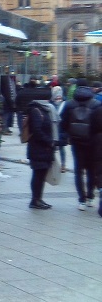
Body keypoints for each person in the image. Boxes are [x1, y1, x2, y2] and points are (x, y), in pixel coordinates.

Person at [60, 78, 99, 210]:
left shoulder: (69, 104)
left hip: (76, 141)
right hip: (92, 141)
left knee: (78, 170)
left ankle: (81, 200)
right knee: (91, 170)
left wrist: (67, 136)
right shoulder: (95, 104)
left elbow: (63, 123)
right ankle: (90, 197)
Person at [27, 92, 55, 209]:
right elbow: (37, 130)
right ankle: (35, 200)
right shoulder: (36, 111)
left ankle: (39, 198)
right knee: (38, 175)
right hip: (38, 148)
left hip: (44, 149)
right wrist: (49, 141)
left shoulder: (44, 109)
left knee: (41, 174)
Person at [50, 86, 68, 172]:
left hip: (60, 129)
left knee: (60, 148)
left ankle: (62, 165)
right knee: (54, 148)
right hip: (55, 129)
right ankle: (54, 164)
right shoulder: (51, 103)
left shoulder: (64, 103)